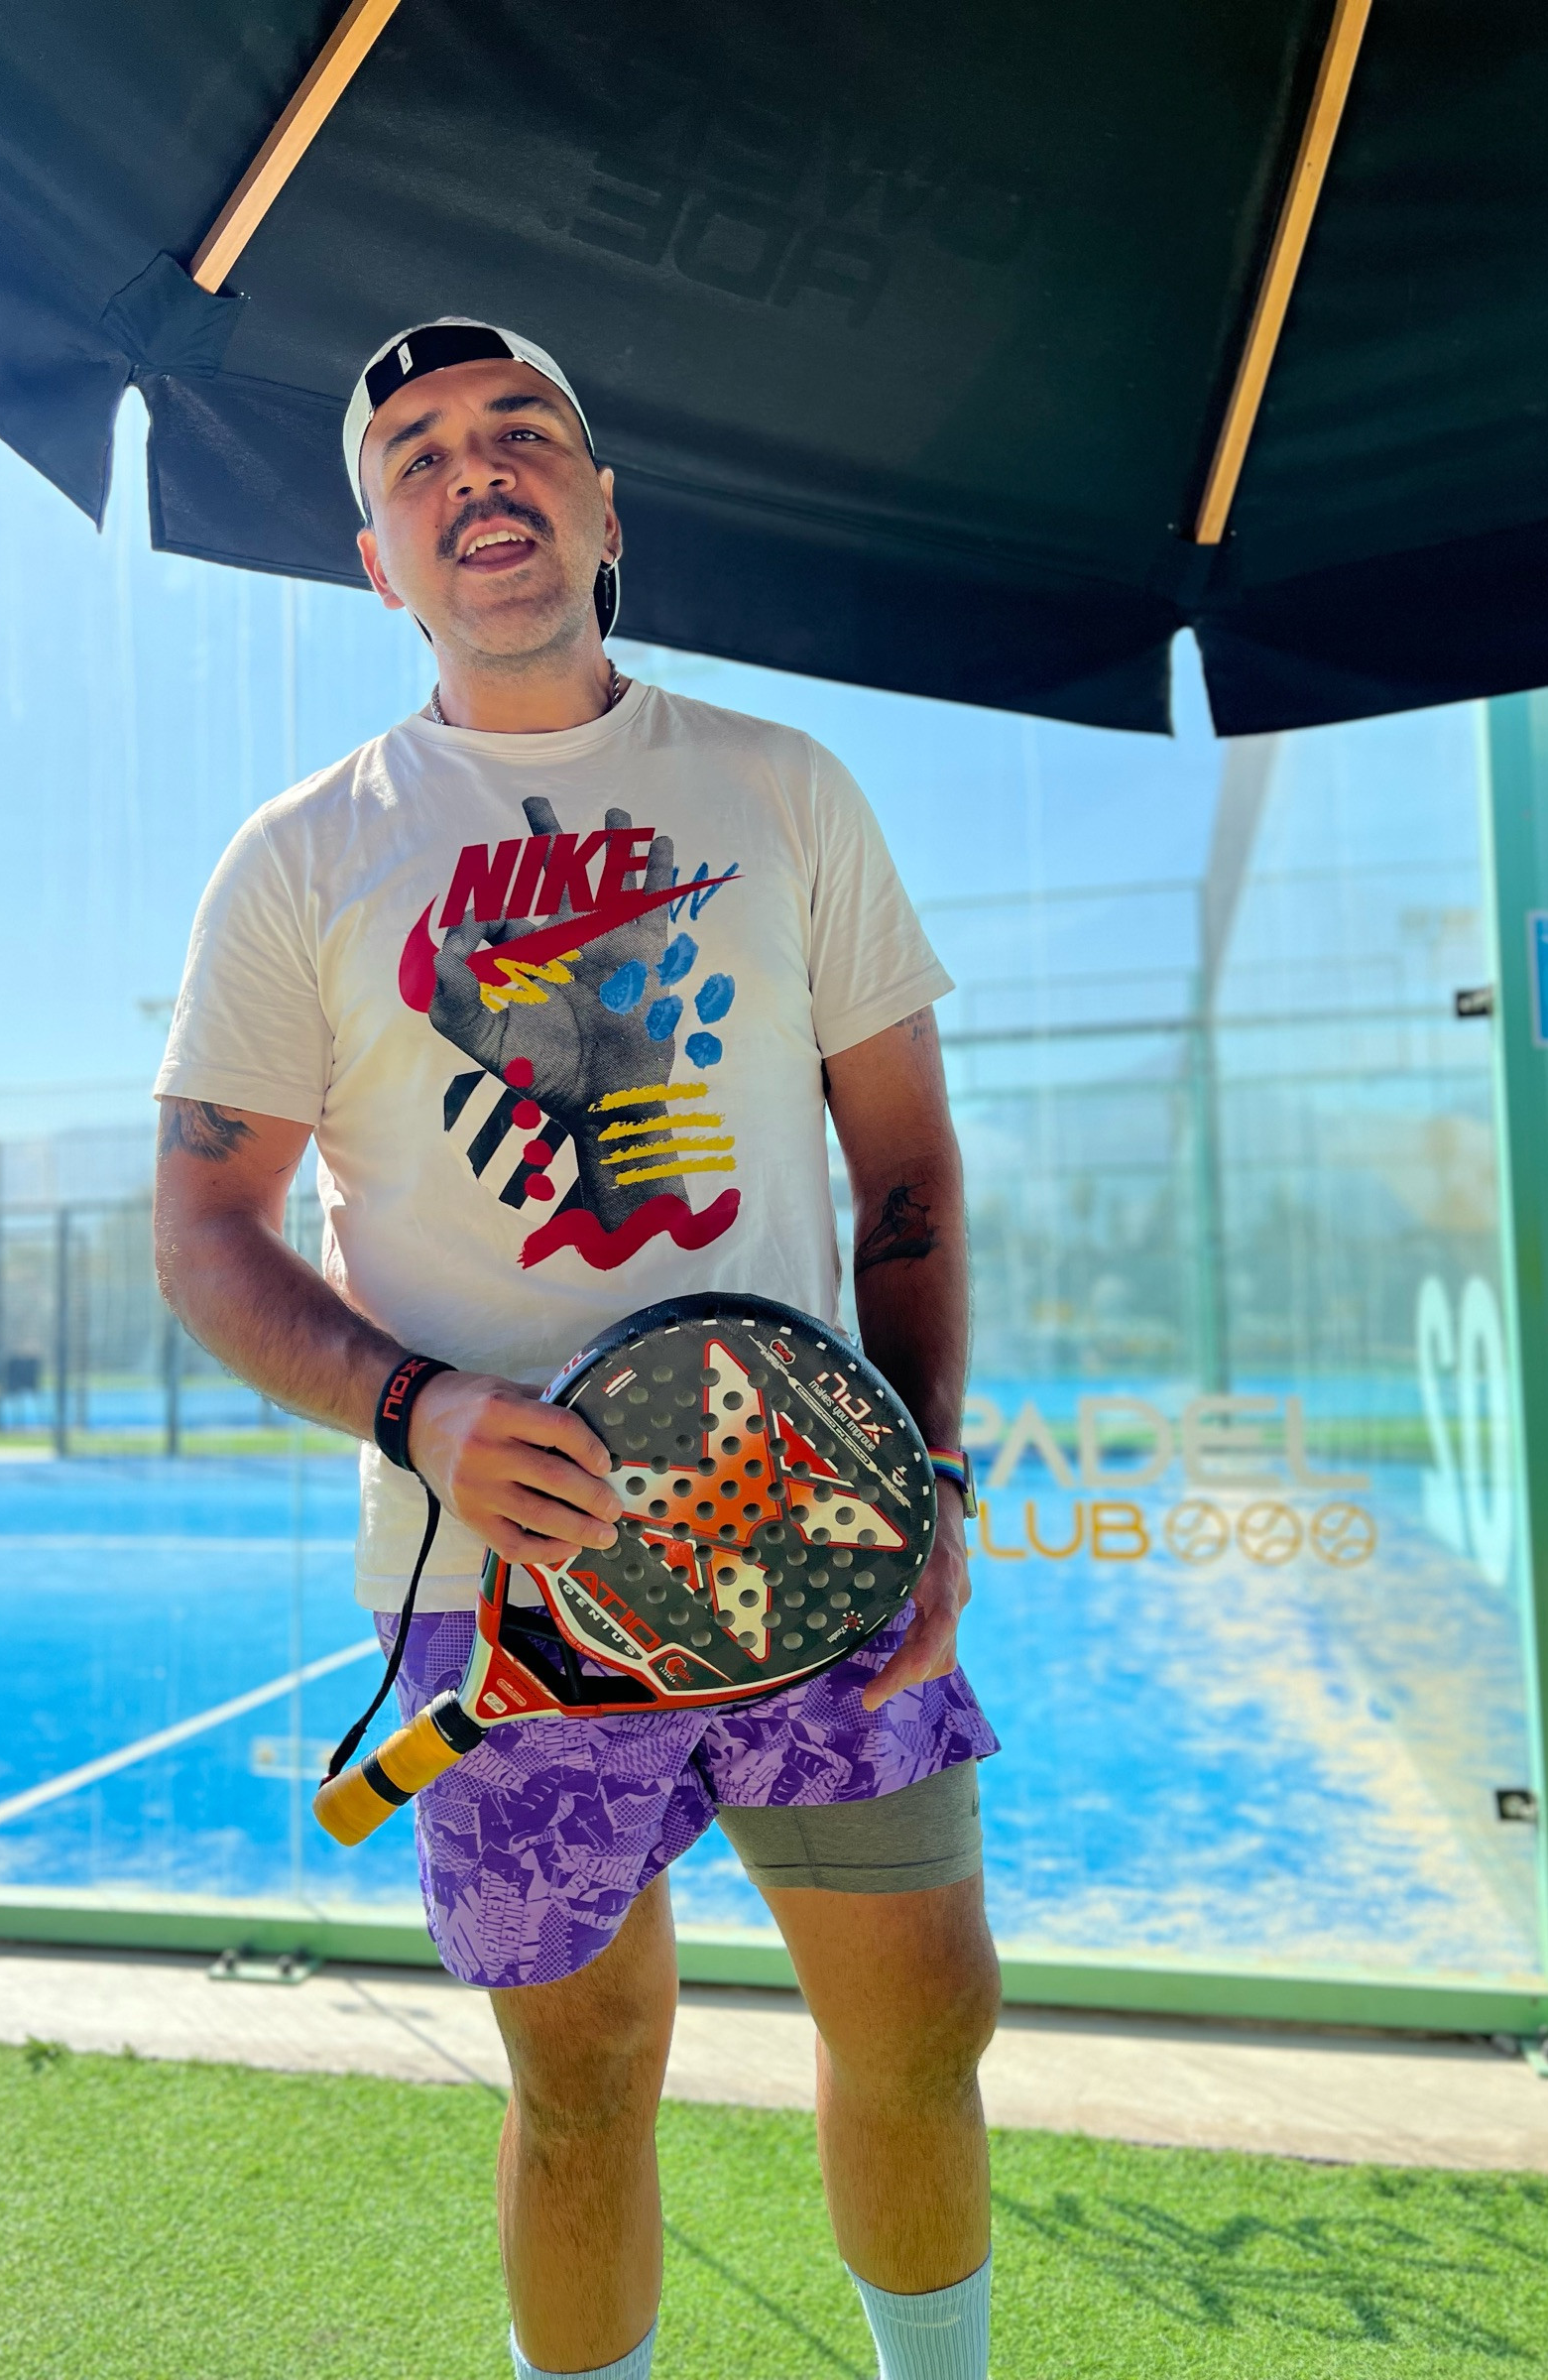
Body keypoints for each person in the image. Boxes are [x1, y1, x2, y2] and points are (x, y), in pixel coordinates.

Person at [154, 316, 1001, 2380]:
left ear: (605, 504)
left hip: (808, 1537)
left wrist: (927, 1477)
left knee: (923, 2030)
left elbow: (904, 1168)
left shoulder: (785, 789)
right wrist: (419, 1411)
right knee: (583, 2080)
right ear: (378, 561)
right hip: (489, 1590)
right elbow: (203, 1227)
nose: (479, 471)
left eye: (522, 430)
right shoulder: (299, 855)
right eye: (420, 457)